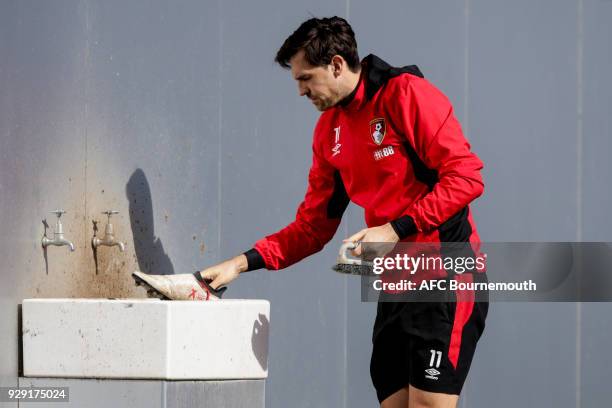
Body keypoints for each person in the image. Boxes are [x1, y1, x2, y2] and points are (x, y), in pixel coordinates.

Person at [133, 16, 488, 408]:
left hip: (446, 275)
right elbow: (312, 228)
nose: (301, 91)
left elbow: (466, 176)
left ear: (336, 64)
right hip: (395, 285)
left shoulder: (406, 94)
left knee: (427, 404)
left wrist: (395, 229)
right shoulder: (329, 133)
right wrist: (239, 264)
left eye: (306, 79)